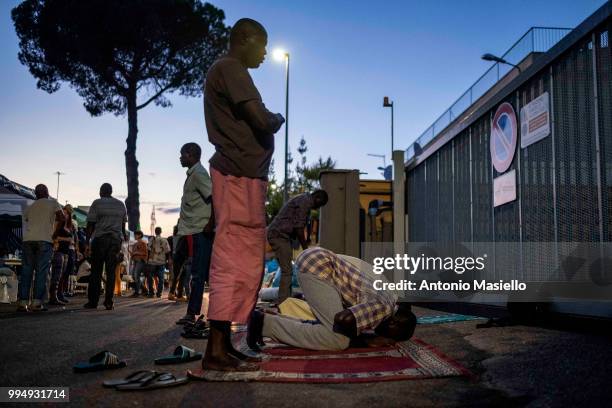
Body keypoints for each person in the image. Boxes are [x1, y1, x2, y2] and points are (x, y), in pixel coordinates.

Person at [202, 17, 285, 371]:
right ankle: (215, 349)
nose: (265, 53)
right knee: (232, 260)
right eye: (262, 44)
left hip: (245, 179)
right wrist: (276, 118)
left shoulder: (230, 70)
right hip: (237, 177)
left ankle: (226, 343)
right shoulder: (230, 68)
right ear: (245, 38)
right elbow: (260, 120)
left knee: (247, 263)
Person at [247, 247, 417, 351]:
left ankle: (268, 320)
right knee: (338, 340)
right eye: (394, 337)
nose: (389, 340)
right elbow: (342, 319)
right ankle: (264, 324)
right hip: (319, 266)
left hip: (320, 262)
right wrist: (365, 341)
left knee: (330, 327)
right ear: (394, 323)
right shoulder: (382, 309)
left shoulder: (389, 297)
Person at [174, 143, 214, 325]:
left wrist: (210, 224)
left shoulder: (199, 174)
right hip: (195, 229)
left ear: (191, 155)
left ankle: (192, 314)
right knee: (201, 274)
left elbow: (215, 198)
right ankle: (204, 313)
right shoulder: (193, 174)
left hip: (201, 230)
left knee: (198, 274)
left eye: (182, 154)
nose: (180, 157)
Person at [267, 190, 329, 303]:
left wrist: (307, 238)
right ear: (317, 198)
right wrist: (306, 249)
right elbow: (299, 228)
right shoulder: (305, 202)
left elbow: (300, 225)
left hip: (282, 235)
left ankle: (287, 299)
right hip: (278, 235)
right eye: (320, 205)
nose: (318, 208)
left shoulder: (304, 200)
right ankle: (283, 303)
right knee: (287, 271)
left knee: (287, 270)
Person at [18, 184, 63, 311]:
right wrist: (54, 235)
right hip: (44, 240)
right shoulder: (53, 203)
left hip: (28, 240)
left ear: (36, 194)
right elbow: (62, 218)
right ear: (47, 192)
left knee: (26, 272)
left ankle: (22, 303)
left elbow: (26, 220)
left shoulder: (30, 206)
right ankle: (36, 303)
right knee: (41, 272)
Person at [85, 183, 127, 310]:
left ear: (102, 191)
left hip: (100, 240)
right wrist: (121, 243)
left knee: (96, 272)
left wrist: (87, 243)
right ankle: (109, 301)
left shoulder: (97, 203)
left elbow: (90, 225)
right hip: (115, 241)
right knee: (111, 272)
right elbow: (123, 227)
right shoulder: (121, 205)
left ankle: (93, 302)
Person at [147, 227, 170, 298]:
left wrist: (148, 259)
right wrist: (167, 260)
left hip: (152, 262)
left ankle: (151, 292)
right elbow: (167, 251)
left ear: (155, 231)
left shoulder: (151, 239)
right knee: (161, 278)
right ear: (161, 232)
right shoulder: (164, 240)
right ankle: (159, 293)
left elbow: (148, 249)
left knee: (150, 277)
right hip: (161, 262)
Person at [129, 230, 148, 296]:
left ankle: (137, 292)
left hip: (140, 261)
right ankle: (144, 289)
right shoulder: (135, 244)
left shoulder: (143, 243)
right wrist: (132, 254)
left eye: (135, 235)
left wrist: (136, 253)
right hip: (135, 261)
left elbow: (145, 253)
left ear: (139, 235)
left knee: (136, 276)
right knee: (134, 276)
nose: (134, 236)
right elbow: (133, 253)